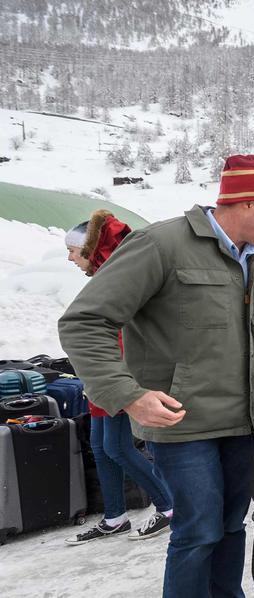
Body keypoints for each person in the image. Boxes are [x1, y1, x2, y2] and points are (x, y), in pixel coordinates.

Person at [58, 154, 254, 598]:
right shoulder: (160, 245)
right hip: (183, 425)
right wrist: (127, 394)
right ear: (247, 204)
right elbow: (84, 322)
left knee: (231, 527)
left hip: (245, 422)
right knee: (198, 531)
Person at [63, 210, 175, 545]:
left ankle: (168, 505)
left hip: (120, 379)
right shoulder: (102, 276)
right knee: (101, 447)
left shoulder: (115, 275)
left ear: (89, 248)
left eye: (72, 250)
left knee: (117, 447)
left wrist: (116, 383)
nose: (69, 257)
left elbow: (123, 335)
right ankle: (114, 516)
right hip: (102, 382)